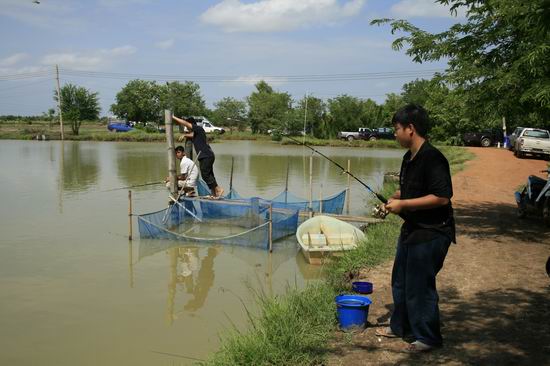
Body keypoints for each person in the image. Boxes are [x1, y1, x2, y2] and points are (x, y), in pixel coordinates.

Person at [375, 104, 456, 353]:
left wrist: (404, 203)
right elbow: (411, 190)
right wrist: (394, 200)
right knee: (400, 281)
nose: (395, 134)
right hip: (413, 228)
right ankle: (401, 326)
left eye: (397, 129)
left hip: (433, 231)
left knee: (420, 285)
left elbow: (442, 196)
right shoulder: (408, 157)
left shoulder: (432, 157)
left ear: (410, 129)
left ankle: (428, 337)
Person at [172, 116, 224, 198]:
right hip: (207, 155)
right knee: (210, 175)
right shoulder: (197, 133)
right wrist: (185, 135)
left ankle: (219, 189)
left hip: (206, 155)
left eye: (187, 127)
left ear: (191, 125)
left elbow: (186, 124)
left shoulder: (198, 129)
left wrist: (173, 117)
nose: (186, 129)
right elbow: (191, 135)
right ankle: (214, 194)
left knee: (205, 175)